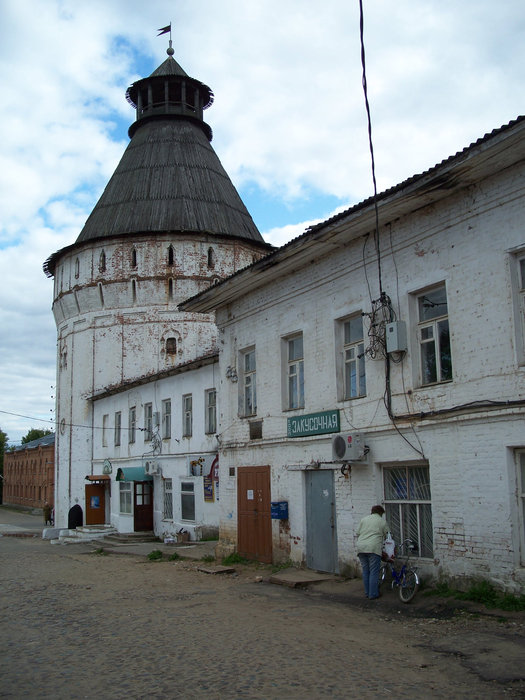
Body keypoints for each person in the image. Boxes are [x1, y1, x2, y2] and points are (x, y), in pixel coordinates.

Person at [356, 504, 389, 600]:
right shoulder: (382, 522)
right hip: (373, 548)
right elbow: (388, 536)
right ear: (380, 513)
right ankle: (373, 594)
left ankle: (367, 592)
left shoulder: (364, 519)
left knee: (366, 571)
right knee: (374, 572)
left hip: (361, 547)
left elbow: (358, 533)